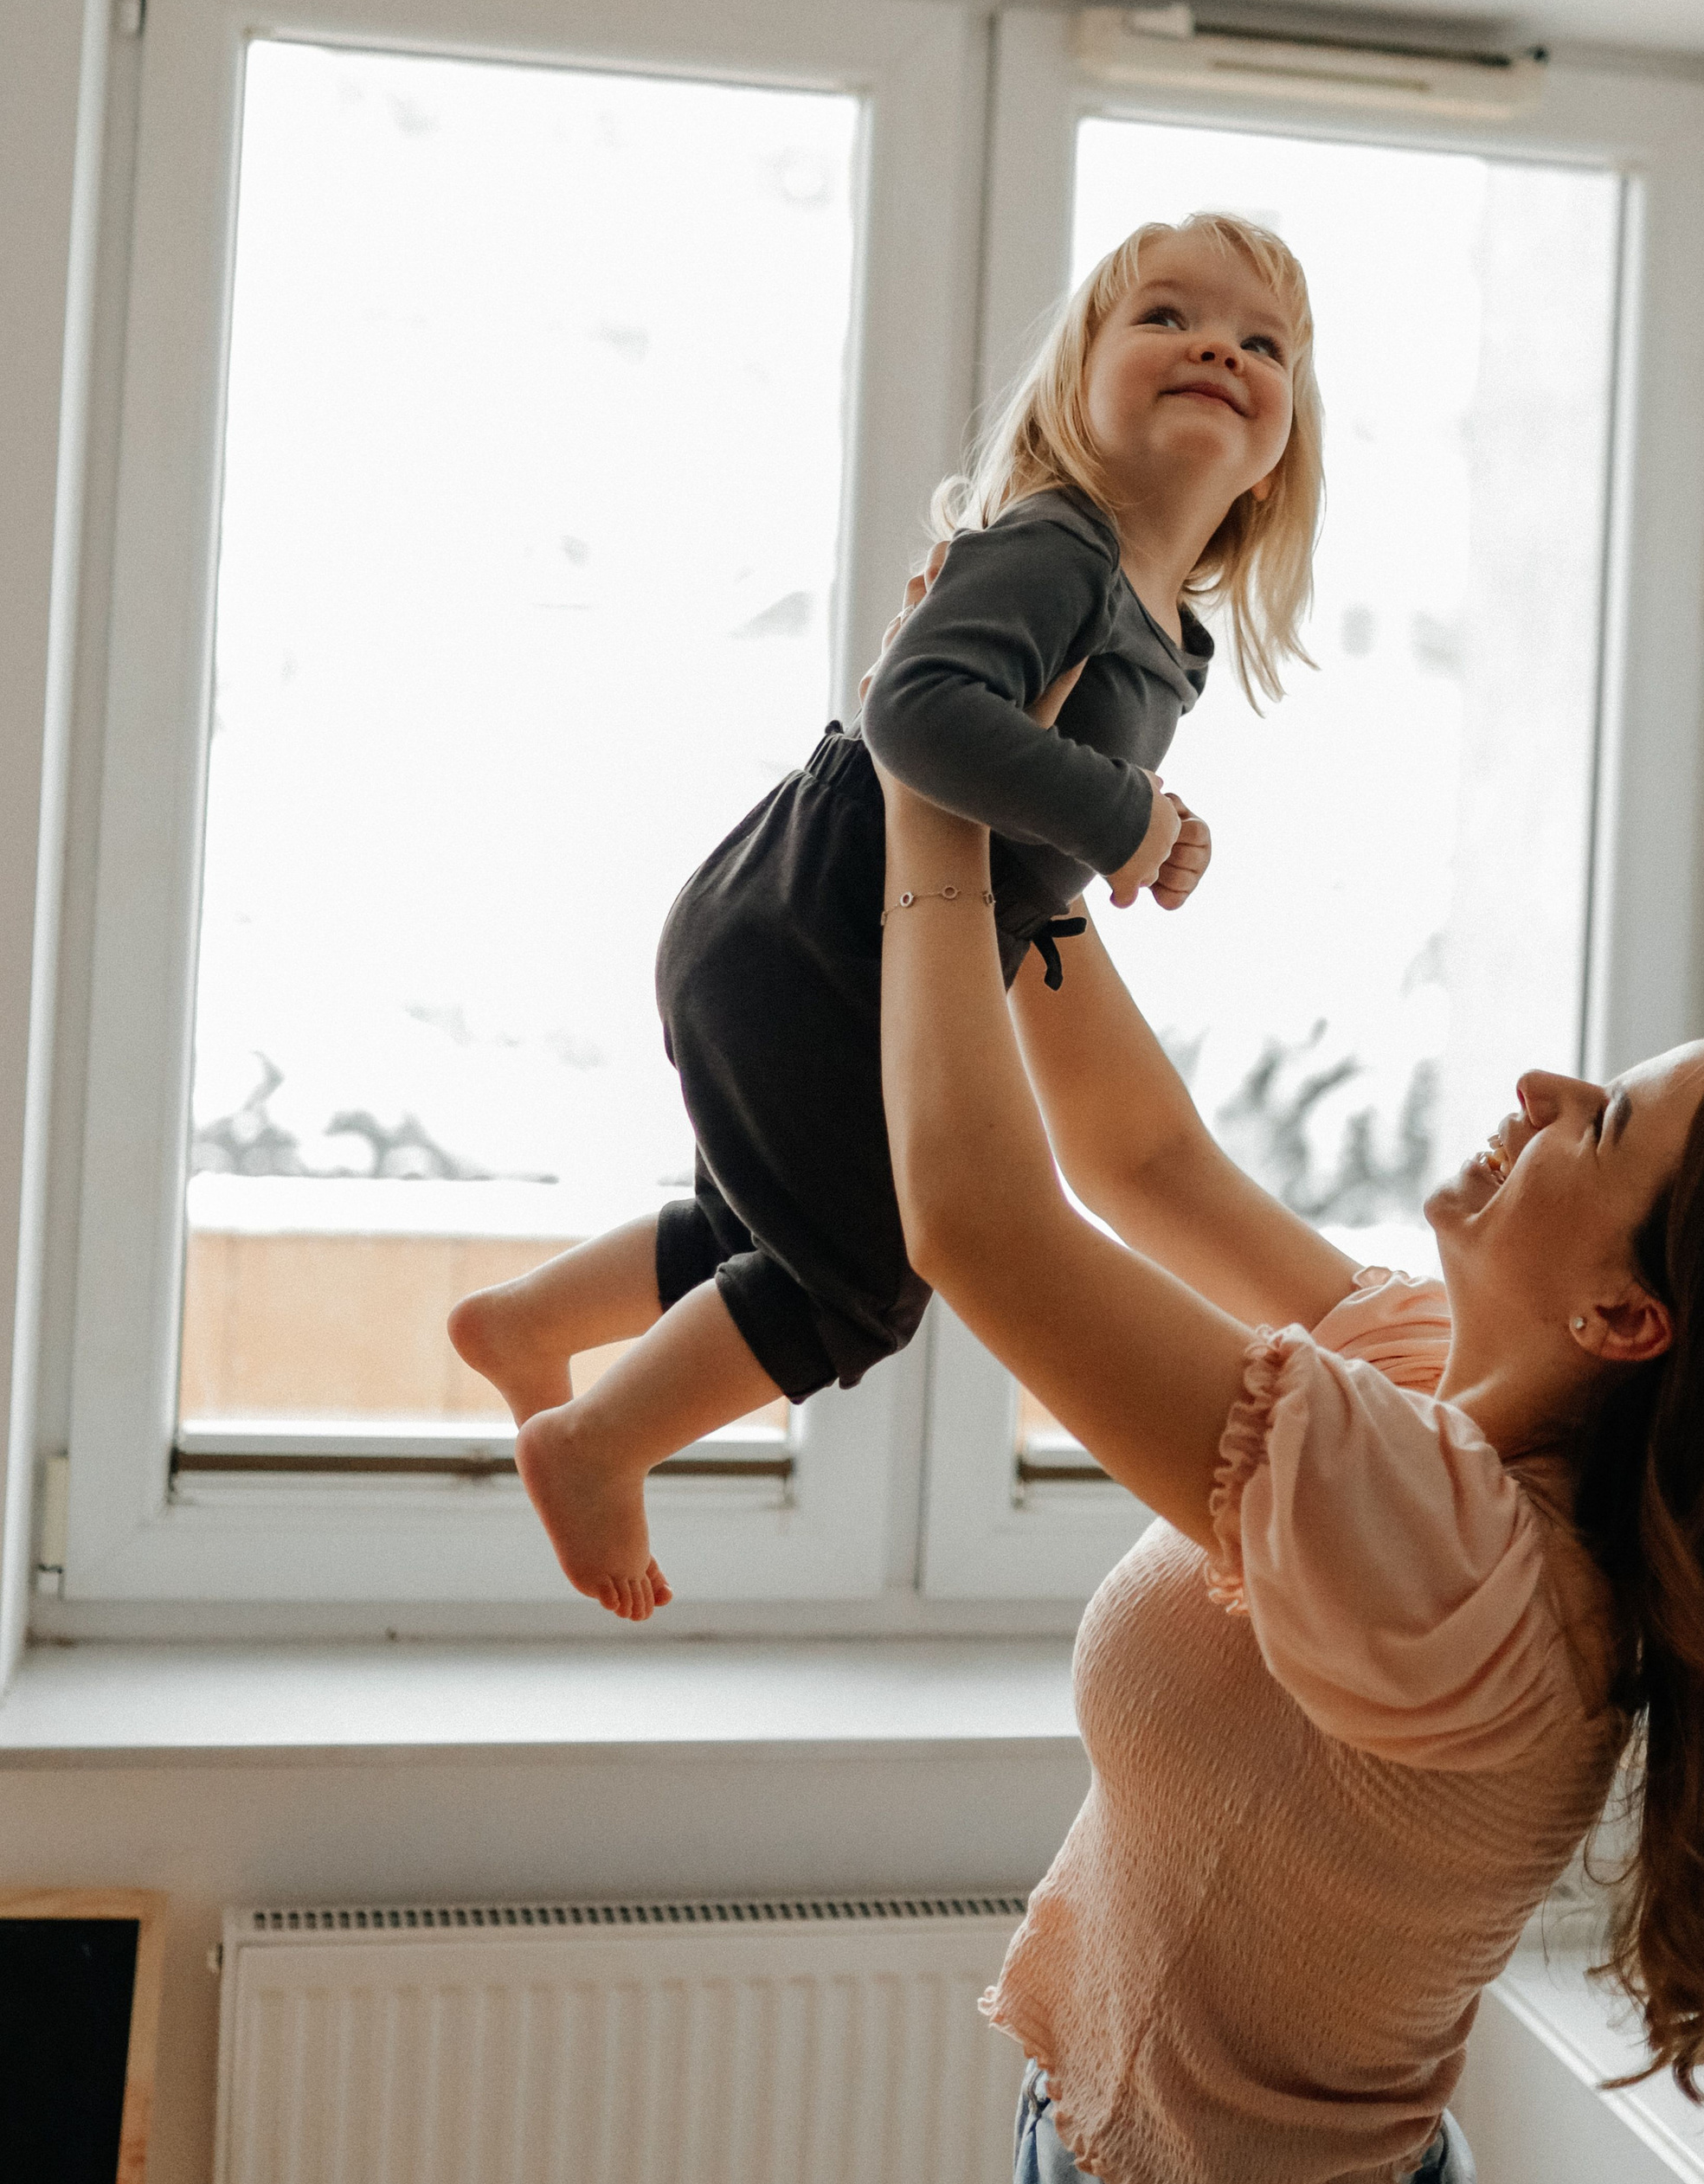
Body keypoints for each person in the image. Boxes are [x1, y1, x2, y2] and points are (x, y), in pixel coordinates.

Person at [868, 763, 1704, 2184]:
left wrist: (928, 791)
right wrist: (1020, 831)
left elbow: (978, 1225)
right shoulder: (1422, 1386)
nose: (1537, 1090)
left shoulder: (1463, 1574)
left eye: (1597, 1127)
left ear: (1621, 1315)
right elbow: (1138, 1162)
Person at [448, 212, 1325, 1618]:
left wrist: (1141, 825)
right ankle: (597, 1439)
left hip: (812, 930)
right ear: (1075, 386)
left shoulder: (1170, 632)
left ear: (1286, 446)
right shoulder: (1061, 547)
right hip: (819, 933)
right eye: (1167, 317)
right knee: (860, 1279)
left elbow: (1031, 781)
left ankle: (528, 1321)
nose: (1219, 345)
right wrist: (1121, 819)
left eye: (1264, 342)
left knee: (758, 1232)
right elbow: (915, 713)